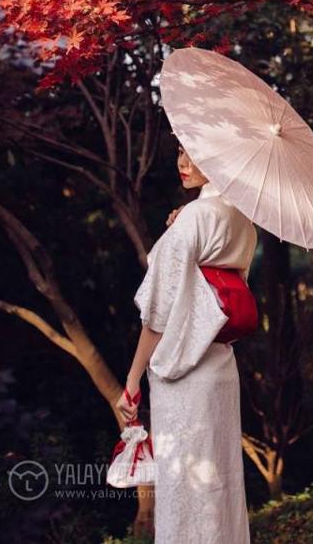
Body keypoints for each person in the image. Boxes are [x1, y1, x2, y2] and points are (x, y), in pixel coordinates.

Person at [117, 146, 258, 543]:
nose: (182, 163)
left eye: (194, 153)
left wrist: (131, 382)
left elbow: (159, 314)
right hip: (219, 367)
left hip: (185, 374)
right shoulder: (243, 219)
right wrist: (180, 227)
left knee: (187, 487)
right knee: (221, 486)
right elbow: (221, 288)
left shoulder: (195, 217)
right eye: (179, 151)